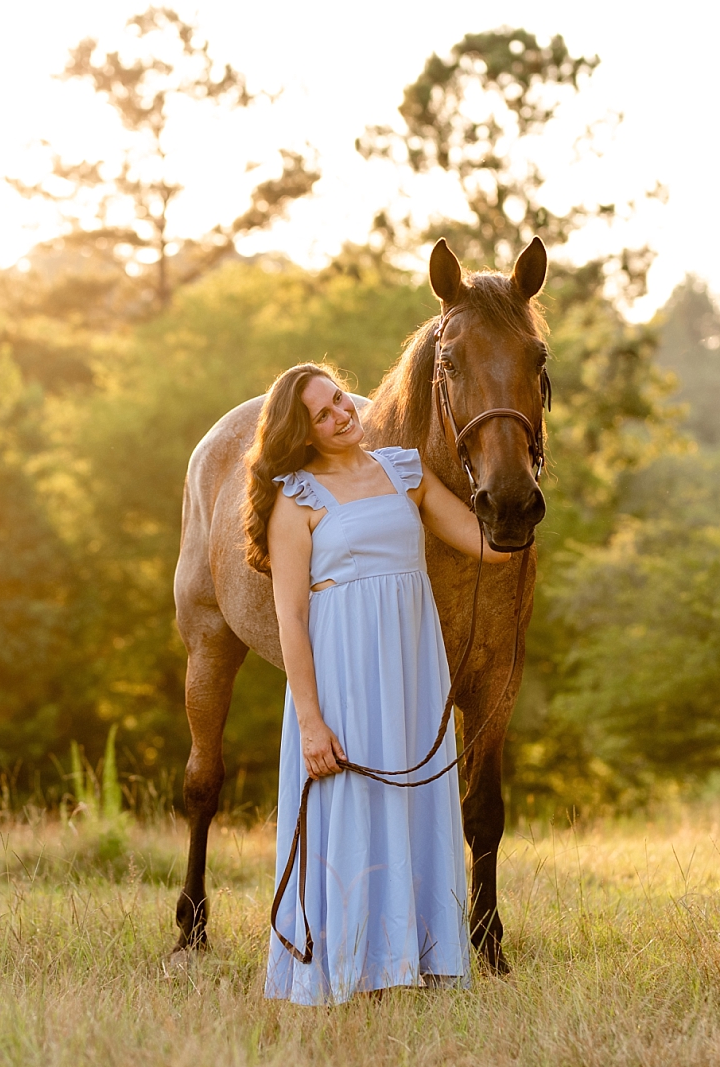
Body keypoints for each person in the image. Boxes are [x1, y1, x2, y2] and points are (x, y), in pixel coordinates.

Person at [242, 362, 512, 1006]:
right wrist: (311, 722)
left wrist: (518, 499)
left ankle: (407, 958)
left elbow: (486, 544)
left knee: (412, 803)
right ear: (300, 433)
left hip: (411, 666)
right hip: (342, 671)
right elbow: (292, 617)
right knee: (351, 804)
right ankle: (344, 967)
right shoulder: (296, 497)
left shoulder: (404, 470)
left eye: (340, 399)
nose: (342, 415)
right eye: (323, 414)